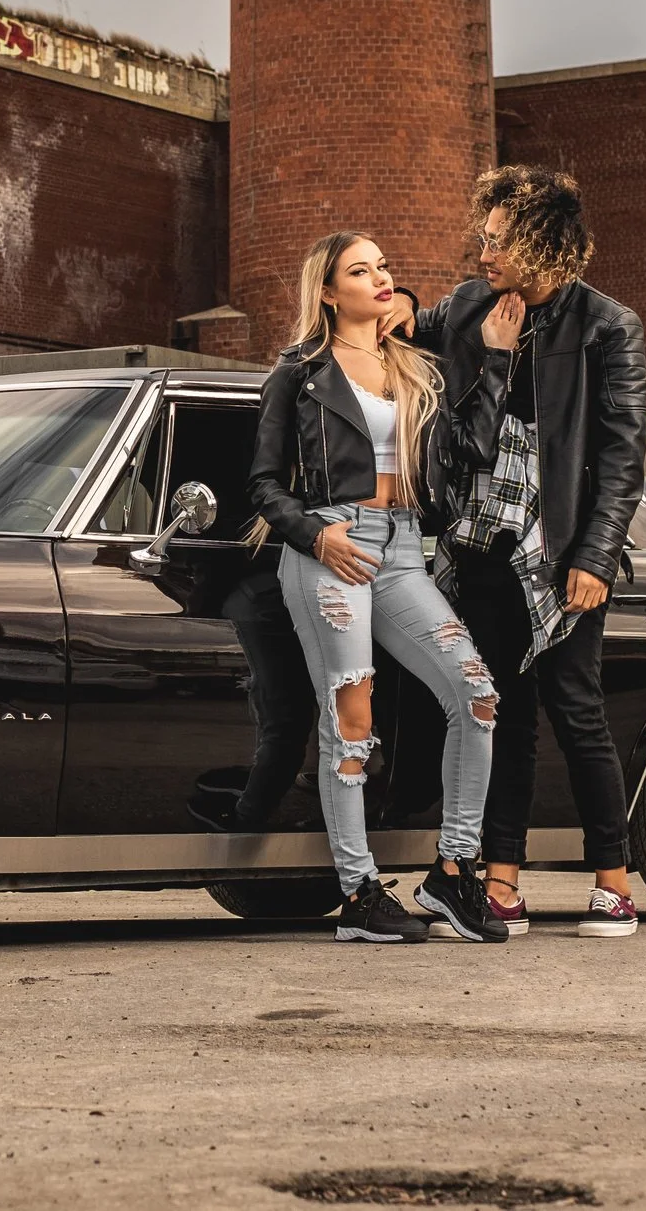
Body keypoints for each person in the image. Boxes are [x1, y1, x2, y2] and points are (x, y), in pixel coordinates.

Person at [402, 168, 646, 938]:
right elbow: (419, 325)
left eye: (498, 238)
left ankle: (613, 882)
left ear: (542, 243)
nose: (484, 249)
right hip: (483, 548)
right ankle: (502, 880)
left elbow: (621, 459)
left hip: (564, 553)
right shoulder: (473, 305)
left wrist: (596, 557)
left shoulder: (609, 327)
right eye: (484, 233)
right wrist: (403, 306)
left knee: (578, 713)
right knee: (502, 715)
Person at [248, 231, 510, 945]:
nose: (381, 277)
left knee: (476, 693)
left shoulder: (414, 368)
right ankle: (359, 891)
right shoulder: (298, 372)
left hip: (401, 550)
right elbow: (264, 482)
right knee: (352, 719)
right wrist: (313, 533)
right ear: (330, 292)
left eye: (384, 265)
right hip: (329, 546)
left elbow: (470, 453)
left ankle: (455, 871)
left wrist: (495, 361)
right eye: (361, 270)